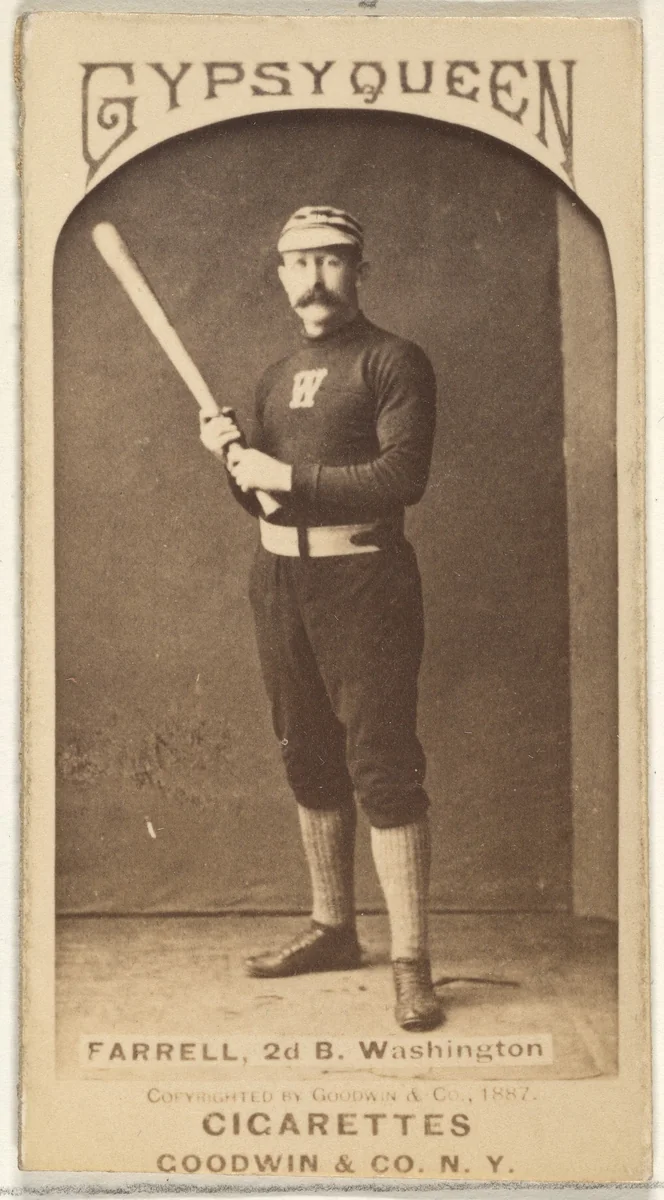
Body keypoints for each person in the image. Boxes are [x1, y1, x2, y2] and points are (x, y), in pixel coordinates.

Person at [200, 205, 440, 1031]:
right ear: (279, 275)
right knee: (307, 756)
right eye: (297, 264)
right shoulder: (274, 376)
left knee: (382, 766)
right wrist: (231, 459)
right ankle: (334, 930)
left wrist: (285, 471)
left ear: (360, 270)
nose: (314, 279)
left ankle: (412, 963)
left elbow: (401, 478)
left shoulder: (393, 361)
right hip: (279, 583)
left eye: (332, 261)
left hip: (366, 583)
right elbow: (262, 497)